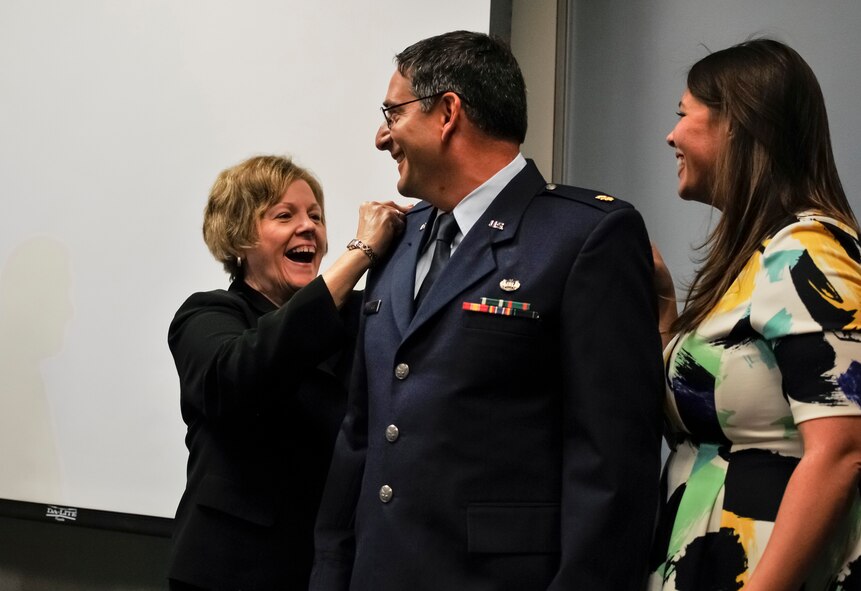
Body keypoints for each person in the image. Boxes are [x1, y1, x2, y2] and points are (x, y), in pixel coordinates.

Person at [311, 31, 664, 590]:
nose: (382, 136)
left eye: (393, 113)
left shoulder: (583, 235)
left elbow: (612, 467)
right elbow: (360, 435)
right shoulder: (398, 238)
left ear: (447, 112)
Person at [648, 39, 861, 591]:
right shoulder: (756, 257)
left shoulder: (807, 253)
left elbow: (843, 451)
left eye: (683, 114)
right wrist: (666, 310)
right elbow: (699, 418)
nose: (671, 135)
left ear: (737, 125)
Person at [166, 155, 405, 590]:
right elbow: (240, 376)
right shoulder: (207, 314)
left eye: (316, 215)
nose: (308, 227)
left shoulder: (358, 318)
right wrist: (360, 253)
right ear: (238, 236)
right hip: (232, 574)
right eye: (284, 215)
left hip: (333, 569)